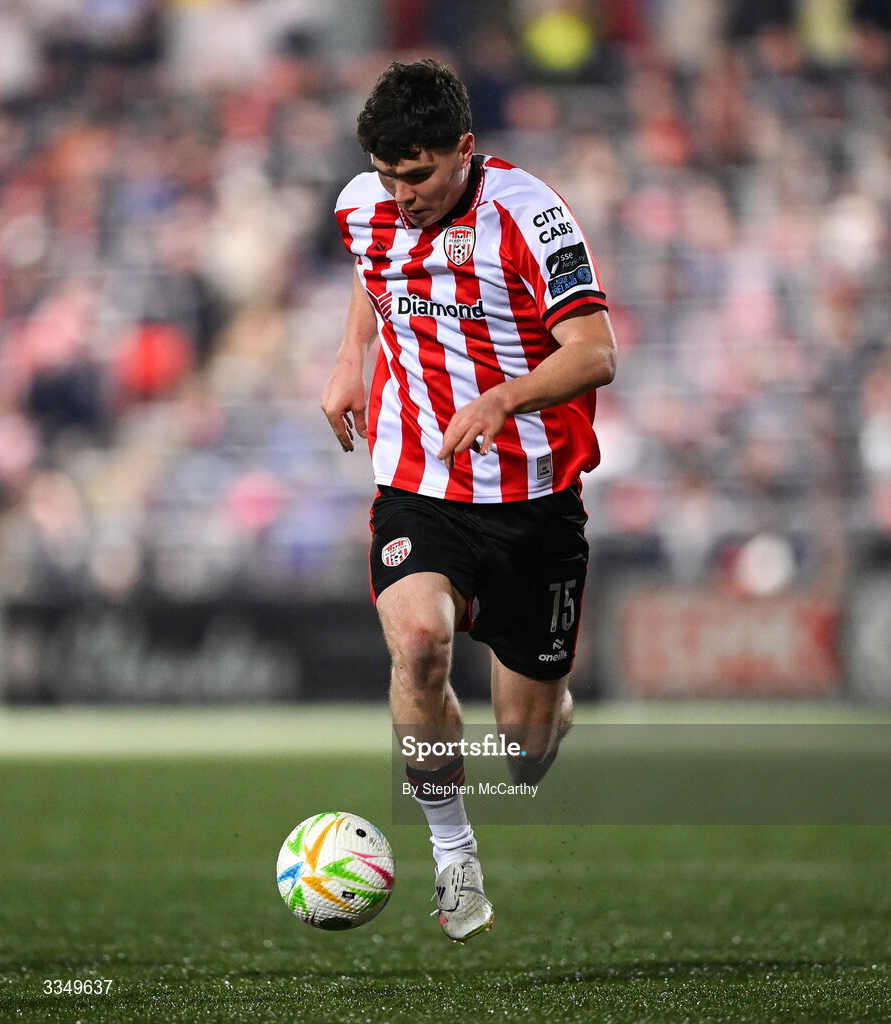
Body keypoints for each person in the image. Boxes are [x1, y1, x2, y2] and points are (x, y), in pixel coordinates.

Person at [320, 59, 616, 943]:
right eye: (386, 175)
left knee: (524, 751)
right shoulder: (361, 206)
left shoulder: (531, 215)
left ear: (465, 151)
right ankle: (452, 853)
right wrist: (351, 360)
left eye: (417, 175)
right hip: (419, 486)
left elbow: (595, 353)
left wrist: (502, 399)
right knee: (418, 645)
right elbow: (374, 272)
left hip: (534, 499)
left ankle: (550, 708)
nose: (399, 194)